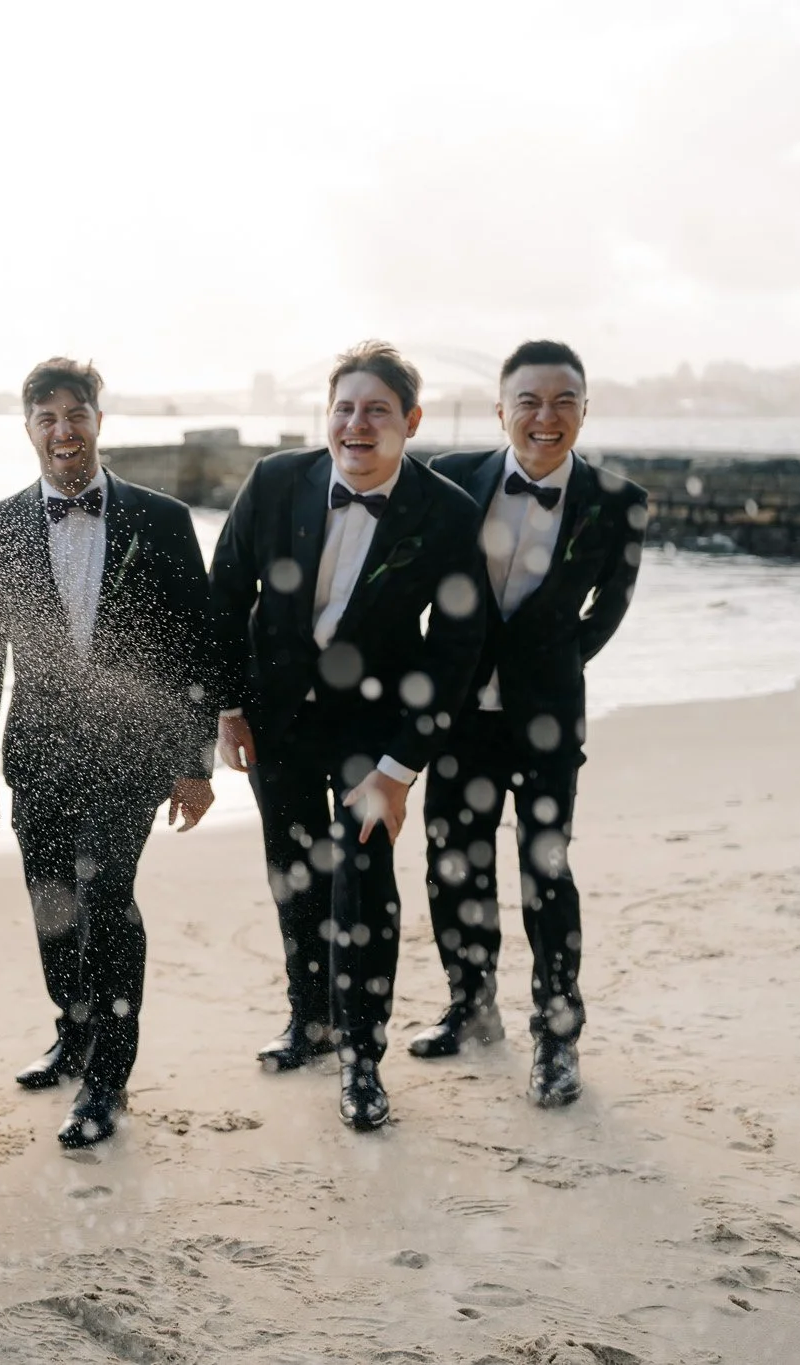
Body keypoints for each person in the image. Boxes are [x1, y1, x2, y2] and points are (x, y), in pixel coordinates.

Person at [210, 341, 490, 1131]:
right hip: (277, 718)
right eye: (343, 408)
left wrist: (402, 768)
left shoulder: (446, 514)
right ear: (325, 416)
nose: (356, 425)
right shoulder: (274, 482)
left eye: (376, 411)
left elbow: (456, 648)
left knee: (363, 881)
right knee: (293, 873)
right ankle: (312, 1018)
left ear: (411, 422)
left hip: (378, 729)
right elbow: (225, 594)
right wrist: (228, 706)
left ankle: (363, 1057)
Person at [0, 357, 226, 1149]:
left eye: (75, 414)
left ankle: (107, 1077)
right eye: (46, 418)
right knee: (52, 906)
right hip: (38, 752)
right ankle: (71, 1029)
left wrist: (195, 759)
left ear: (99, 421)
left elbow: (196, 646)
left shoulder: (164, 519)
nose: (62, 430)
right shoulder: (0, 524)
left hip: (132, 753)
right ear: (29, 429)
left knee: (105, 895)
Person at [411, 340, 647, 1107]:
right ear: (501, 409)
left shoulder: (619, 500)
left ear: (584, 407)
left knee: (547, 872)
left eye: (563, 400)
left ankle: (557, 1038)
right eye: (529, 401)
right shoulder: (448, 478)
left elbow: (607, 609)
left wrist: (551, 665)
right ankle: (471, 1007)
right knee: (454, 862)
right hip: (457, 718)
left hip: (547, 720)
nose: (546, 417)